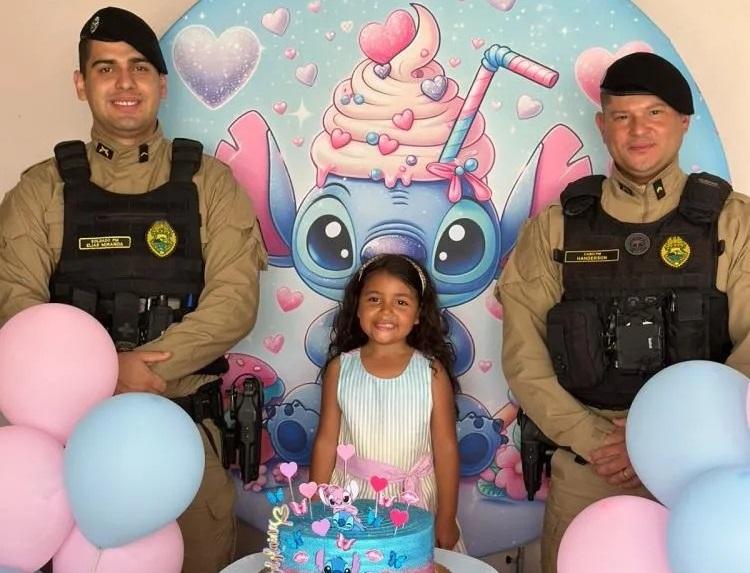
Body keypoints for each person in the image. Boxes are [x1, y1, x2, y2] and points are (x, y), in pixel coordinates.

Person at [0, 7, 267, 572]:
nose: (125, 83)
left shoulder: (210, 184)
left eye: (140, 67)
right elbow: (15, 304)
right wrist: (96, 376)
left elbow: (234, 301)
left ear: (161, 84)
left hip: (180, 436)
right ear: (81, 83)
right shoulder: (40, 191)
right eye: (106, 68)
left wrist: (141, 369)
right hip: (64, 454)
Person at [496, 52, 750, 572]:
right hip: (592, 465)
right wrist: (598, 440)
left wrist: (663, 439)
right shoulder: (556, 227)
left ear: (683, 122)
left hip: (705, 472)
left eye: (655, 113)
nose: (638, 130)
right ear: (602, 125)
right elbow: (524, 356)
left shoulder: (733, 223)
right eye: (622, 115)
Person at [309, 254, 463, 551]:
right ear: (357, 307)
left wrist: (446, 516)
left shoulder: (431, 372)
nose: (386, 311)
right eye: (374, 299)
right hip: (352, 501)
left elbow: (445, 448)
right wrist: (315, 503)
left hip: (415, 503)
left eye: (401, 302)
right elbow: (326, 442)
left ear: (418, 314)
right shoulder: (340, 369)